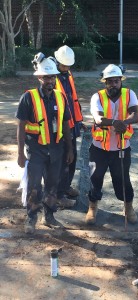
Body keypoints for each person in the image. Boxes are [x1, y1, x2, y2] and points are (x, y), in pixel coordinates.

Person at [16, 53, 74, 234]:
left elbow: (65, 124)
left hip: (56, 149)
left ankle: (49, 216)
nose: (50, 80)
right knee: (34, 185)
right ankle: (32, 217)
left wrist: (70, 149)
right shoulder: (28, 98)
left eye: (53, 77)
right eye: (47, 77)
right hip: (36, 149)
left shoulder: (60, 97)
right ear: (40, 77)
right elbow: (21, 127)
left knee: (52, 183)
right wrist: (19, 153)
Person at [86, 64, 138, 225]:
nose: (113, 84)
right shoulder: (97, 97)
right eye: (109, 81)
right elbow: (98, 119)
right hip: (99, 148)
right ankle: (92, 207)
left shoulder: (130, 94)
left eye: (116, 81)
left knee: (122, 179)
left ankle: (128, 207)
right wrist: (116, 122)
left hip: (121, 147)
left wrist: (124, 122)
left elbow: (136, 115)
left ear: (120, 81)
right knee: (95, 178)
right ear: (105, 82)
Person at [53, 45, 86, 207]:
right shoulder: (52, 78)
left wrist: (79, 122)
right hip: (60, 128)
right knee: (64, 160)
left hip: (72, 124)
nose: (66, 68)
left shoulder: (67, 75)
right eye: (64, 65)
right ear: (58, 62)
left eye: (68, 65)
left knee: (72, 159)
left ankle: (65, 187)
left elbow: (73, 100)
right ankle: (59, 195)